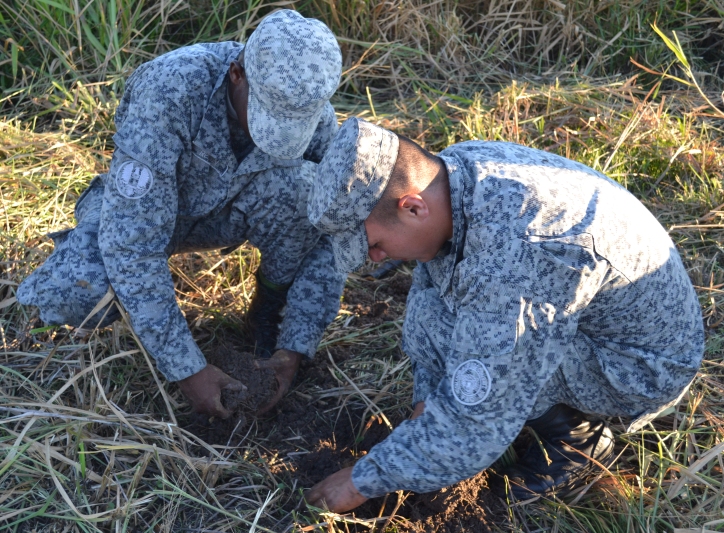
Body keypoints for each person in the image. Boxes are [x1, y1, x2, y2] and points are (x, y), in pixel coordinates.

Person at [304, 117, 704, 510]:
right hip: (586, 312)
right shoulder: (452, 172)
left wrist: (363, 481)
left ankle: (579, 441)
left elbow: (477, 422)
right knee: (433, 315)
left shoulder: (519, 258)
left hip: (639, 365)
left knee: (487, 370)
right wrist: (426, 407)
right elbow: (433, 294)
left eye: (374, 243)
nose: (375, 257)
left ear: (412, 207)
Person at [17, 10, 347, 419]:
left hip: (226, 214)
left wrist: (294, 346)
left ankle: (266, 312)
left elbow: (333, 233)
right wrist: (187, 370)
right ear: (237, 74)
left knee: (308, 191)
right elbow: (132, 244)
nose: (281, 135)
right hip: (140, 208)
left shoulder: (314, 112)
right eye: (269, 117)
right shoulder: (171, 89)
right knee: (75, 289)